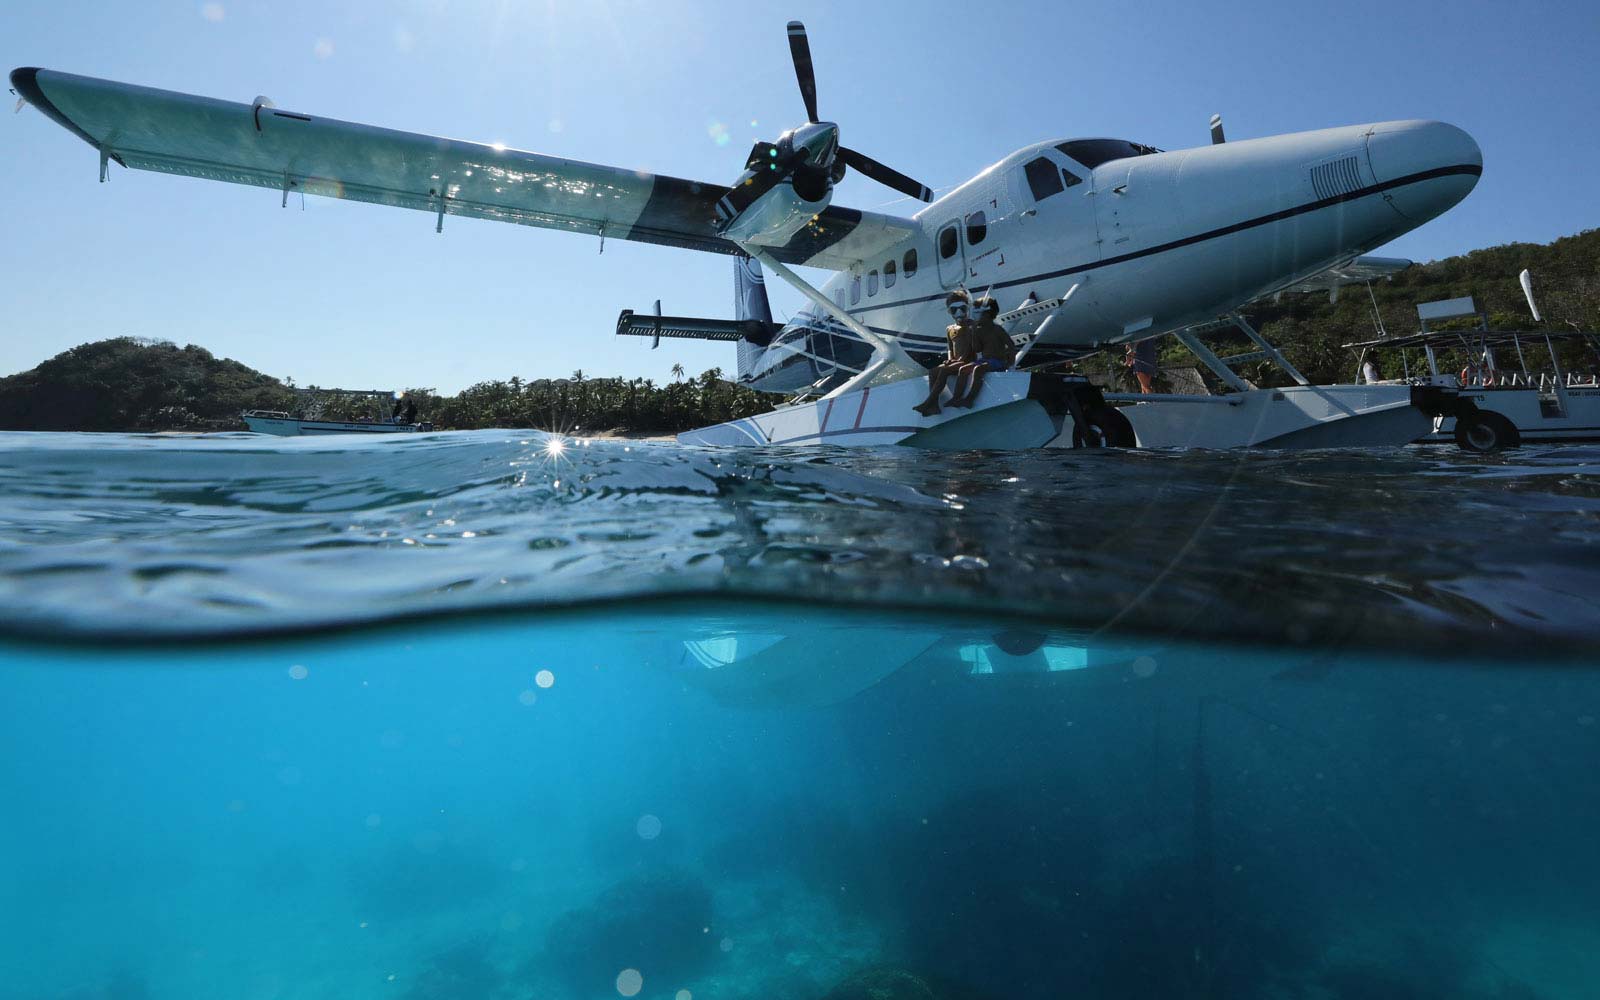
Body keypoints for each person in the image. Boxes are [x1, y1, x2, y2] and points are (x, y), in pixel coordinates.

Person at [914, 291, 976, 416]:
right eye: (954, 310)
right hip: (955, 362)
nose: (959, 313)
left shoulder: (971, 326)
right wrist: (949, 359)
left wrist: (958, 360)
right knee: (933, 371)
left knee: (944, 371)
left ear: (967, 308)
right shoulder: (950, 329)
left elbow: (971, 346)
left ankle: (929, 401)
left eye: (962, 308)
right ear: (949, 312)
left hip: (967, 361)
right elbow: (949, 348)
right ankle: (934, 406)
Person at [949, 296, 1016, 408]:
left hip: (999, 361)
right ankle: (956, 398)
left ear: (988, 314)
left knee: (979, 368)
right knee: (963, 369)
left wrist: (1010, 362)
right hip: (985, 360)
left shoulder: (997, 329)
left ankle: (969, 399)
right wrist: (974, 332)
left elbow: (1011, 345)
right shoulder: (979, 330)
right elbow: (977, 349)